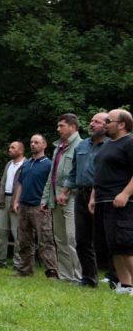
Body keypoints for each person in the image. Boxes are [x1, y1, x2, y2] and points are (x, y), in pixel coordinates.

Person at [90, 109, 133, 295]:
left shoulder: (130, 143)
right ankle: (125, 285)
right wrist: (93, 196)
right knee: (113, 246)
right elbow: (100, 173)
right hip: (103, 199)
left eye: (109, 120)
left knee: (126, 245)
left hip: (122, 201)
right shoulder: (108, 145)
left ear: (122, 124)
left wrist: (125, 194)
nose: (105, 123)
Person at [65, 112, 110, 287]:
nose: (91, 124)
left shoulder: (110, 147)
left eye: (97, 122)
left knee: (107, 238)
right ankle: (89, 278)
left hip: (103, 195)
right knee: (82, 239)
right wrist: (66, 190)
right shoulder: (81, 146)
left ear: (106, 126)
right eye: (91, 121)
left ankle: (116, 278)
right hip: (81, 195)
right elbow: (74, 171)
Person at [42, 113, 83, 282]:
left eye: (61, 126)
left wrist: (67, 193)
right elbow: (52, 175)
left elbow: (80, 175)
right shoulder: (58, 147)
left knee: (72, 237)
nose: (58, 129)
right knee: (60, 239)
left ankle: (79, 276)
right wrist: (45, 198)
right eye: (58, 126)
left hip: (71, 198)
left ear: (72, 127)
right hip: (55, 198)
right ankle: (66, 276)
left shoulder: (81, 146)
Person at [13, 134, 58, 278]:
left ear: (44, 145)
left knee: (45, 240)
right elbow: (20, 183)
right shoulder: (26, 163)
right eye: (31, 142)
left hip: (40, 206)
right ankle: (25, 270)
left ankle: (51, 271)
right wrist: (16, 201)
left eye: (36, 142)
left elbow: (52, 185)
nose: (33, 145)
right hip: (24, 206)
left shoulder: (49, 164)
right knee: (24, 240)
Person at [0, 141, 25, 269]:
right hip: (4, 199)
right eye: (9, 147)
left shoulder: (26, 165)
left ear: (20, 151)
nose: (9, 149)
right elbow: (2, 183)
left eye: (13, 147)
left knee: (18, 233)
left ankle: (18, 263)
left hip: (18, 201)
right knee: (0, 231)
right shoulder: (8, 164)